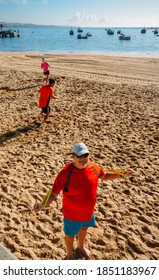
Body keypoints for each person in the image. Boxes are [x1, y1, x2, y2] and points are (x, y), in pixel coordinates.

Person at [33, 142, 132, 260]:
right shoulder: (65, 174)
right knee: (70, 236)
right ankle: (69, 256)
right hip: (72, 214)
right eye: (79, 156)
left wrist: (121, 175)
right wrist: (41, 206)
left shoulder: (94, 167)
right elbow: (53, 194)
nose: (83, 158)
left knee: (84, 228)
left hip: (88, 211)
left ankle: (81, 247)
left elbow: (105, 176)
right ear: (73, 156)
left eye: (85, 155)